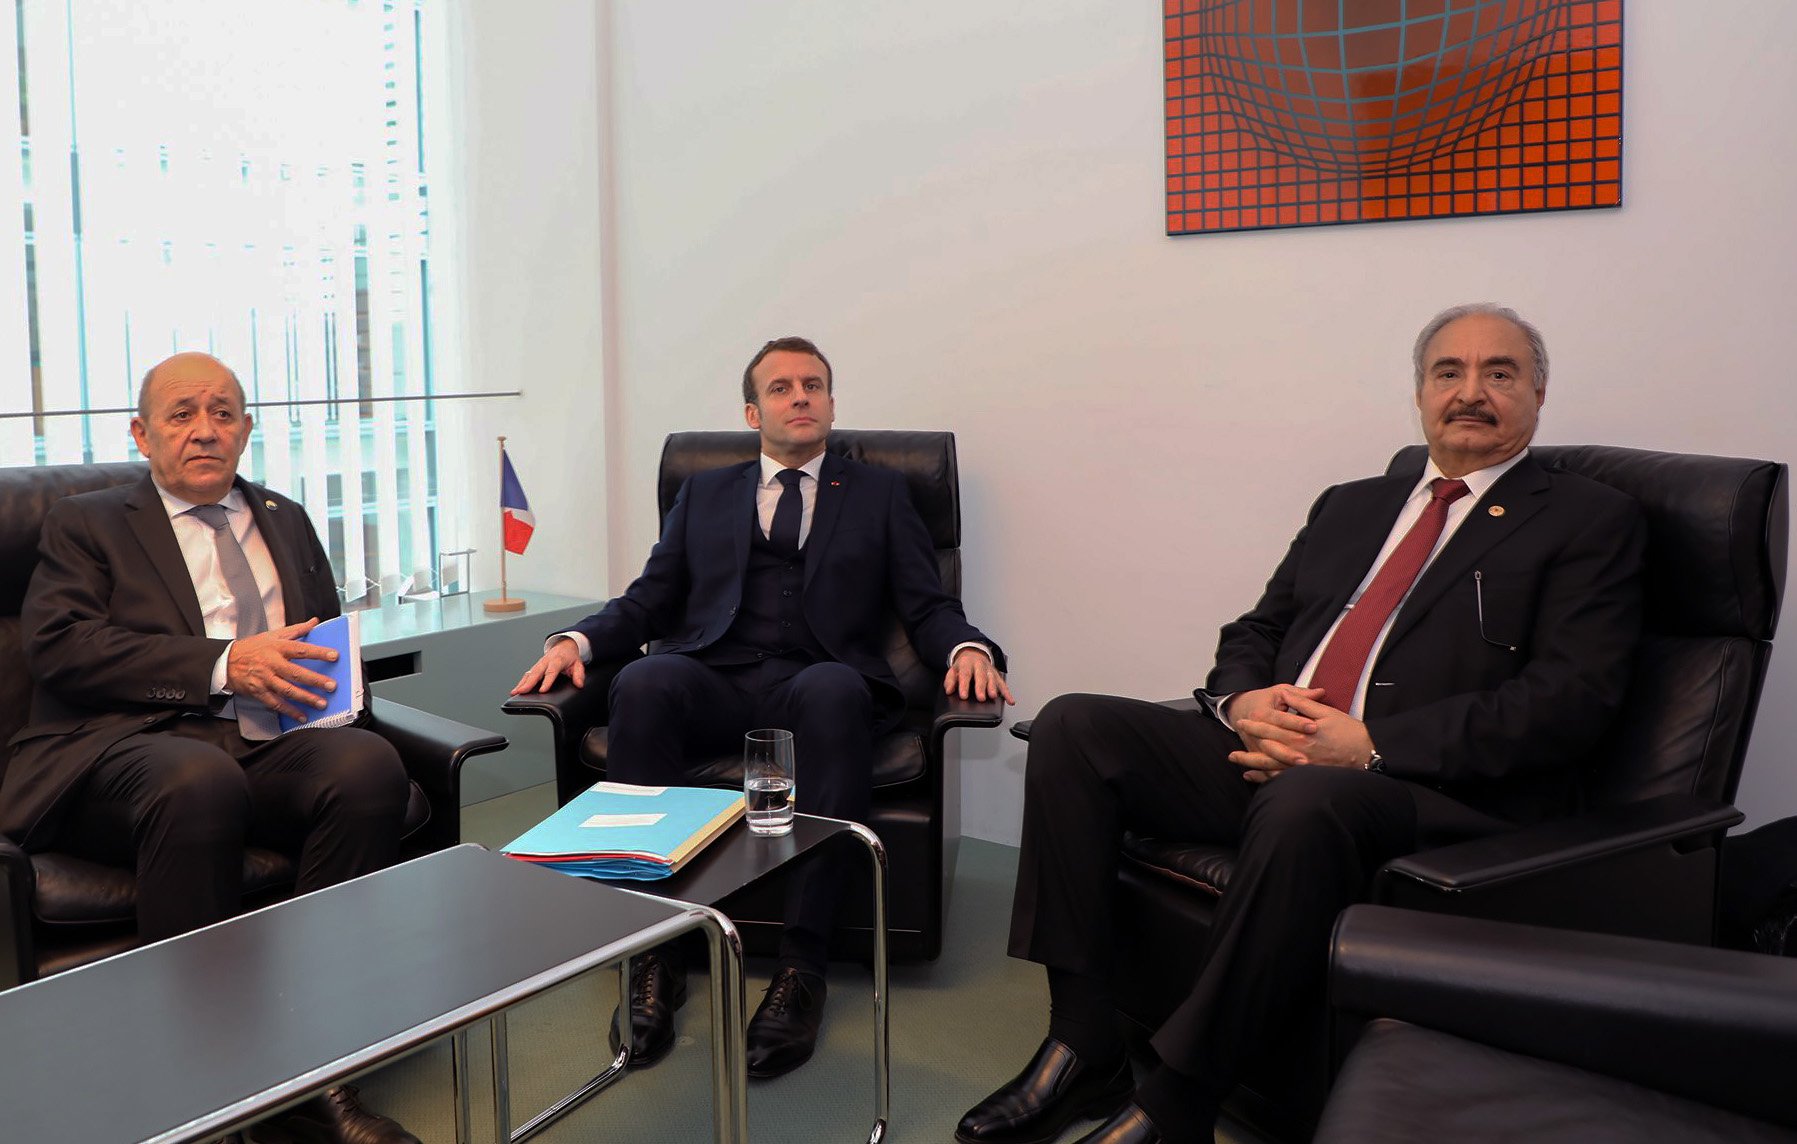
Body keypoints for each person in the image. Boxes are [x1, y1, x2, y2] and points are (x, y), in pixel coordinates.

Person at [956, 304, 1648, 1144]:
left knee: (1309, 797)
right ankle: (1081, 1037)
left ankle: (1179, 1098)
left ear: (1537, 391)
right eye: (1448, 372)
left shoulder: (1587, 519)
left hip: (1427, 790)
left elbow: (1569, 701)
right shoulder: (1353, 504)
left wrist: (1367, 745)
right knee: (1072, 728)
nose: (1470, 393)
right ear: (1419, 392)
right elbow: (1255, 631)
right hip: (1279, 751)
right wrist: (1244, 705)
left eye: (1498, 373)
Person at [512, 335, 1014, 1078]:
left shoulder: (879, 496)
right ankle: (657, 951)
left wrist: (970, 649)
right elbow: (651, 598)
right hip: (716, 675)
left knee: (835, 688)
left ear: (833, 405)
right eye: (781, 388)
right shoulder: (705, 492)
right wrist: (578, 641)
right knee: (645, 683)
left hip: (816, 679)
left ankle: (801, 966)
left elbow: (927, 602)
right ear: (754, 411)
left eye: (813, 385)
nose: (800, 396)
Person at [1, 352, 422, 1144]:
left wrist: (333, 701)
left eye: (224, 413)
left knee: (367, 767)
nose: (205, 430)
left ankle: (318, 1069)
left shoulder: (284, 515)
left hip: (260, 744)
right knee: (197, 781)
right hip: (120, 748)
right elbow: (60, 647)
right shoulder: (87, 521)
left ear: (246, 430)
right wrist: (224, 665)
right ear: (142, 433)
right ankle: (206, 1089)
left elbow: (318, 641)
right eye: (182, 414)